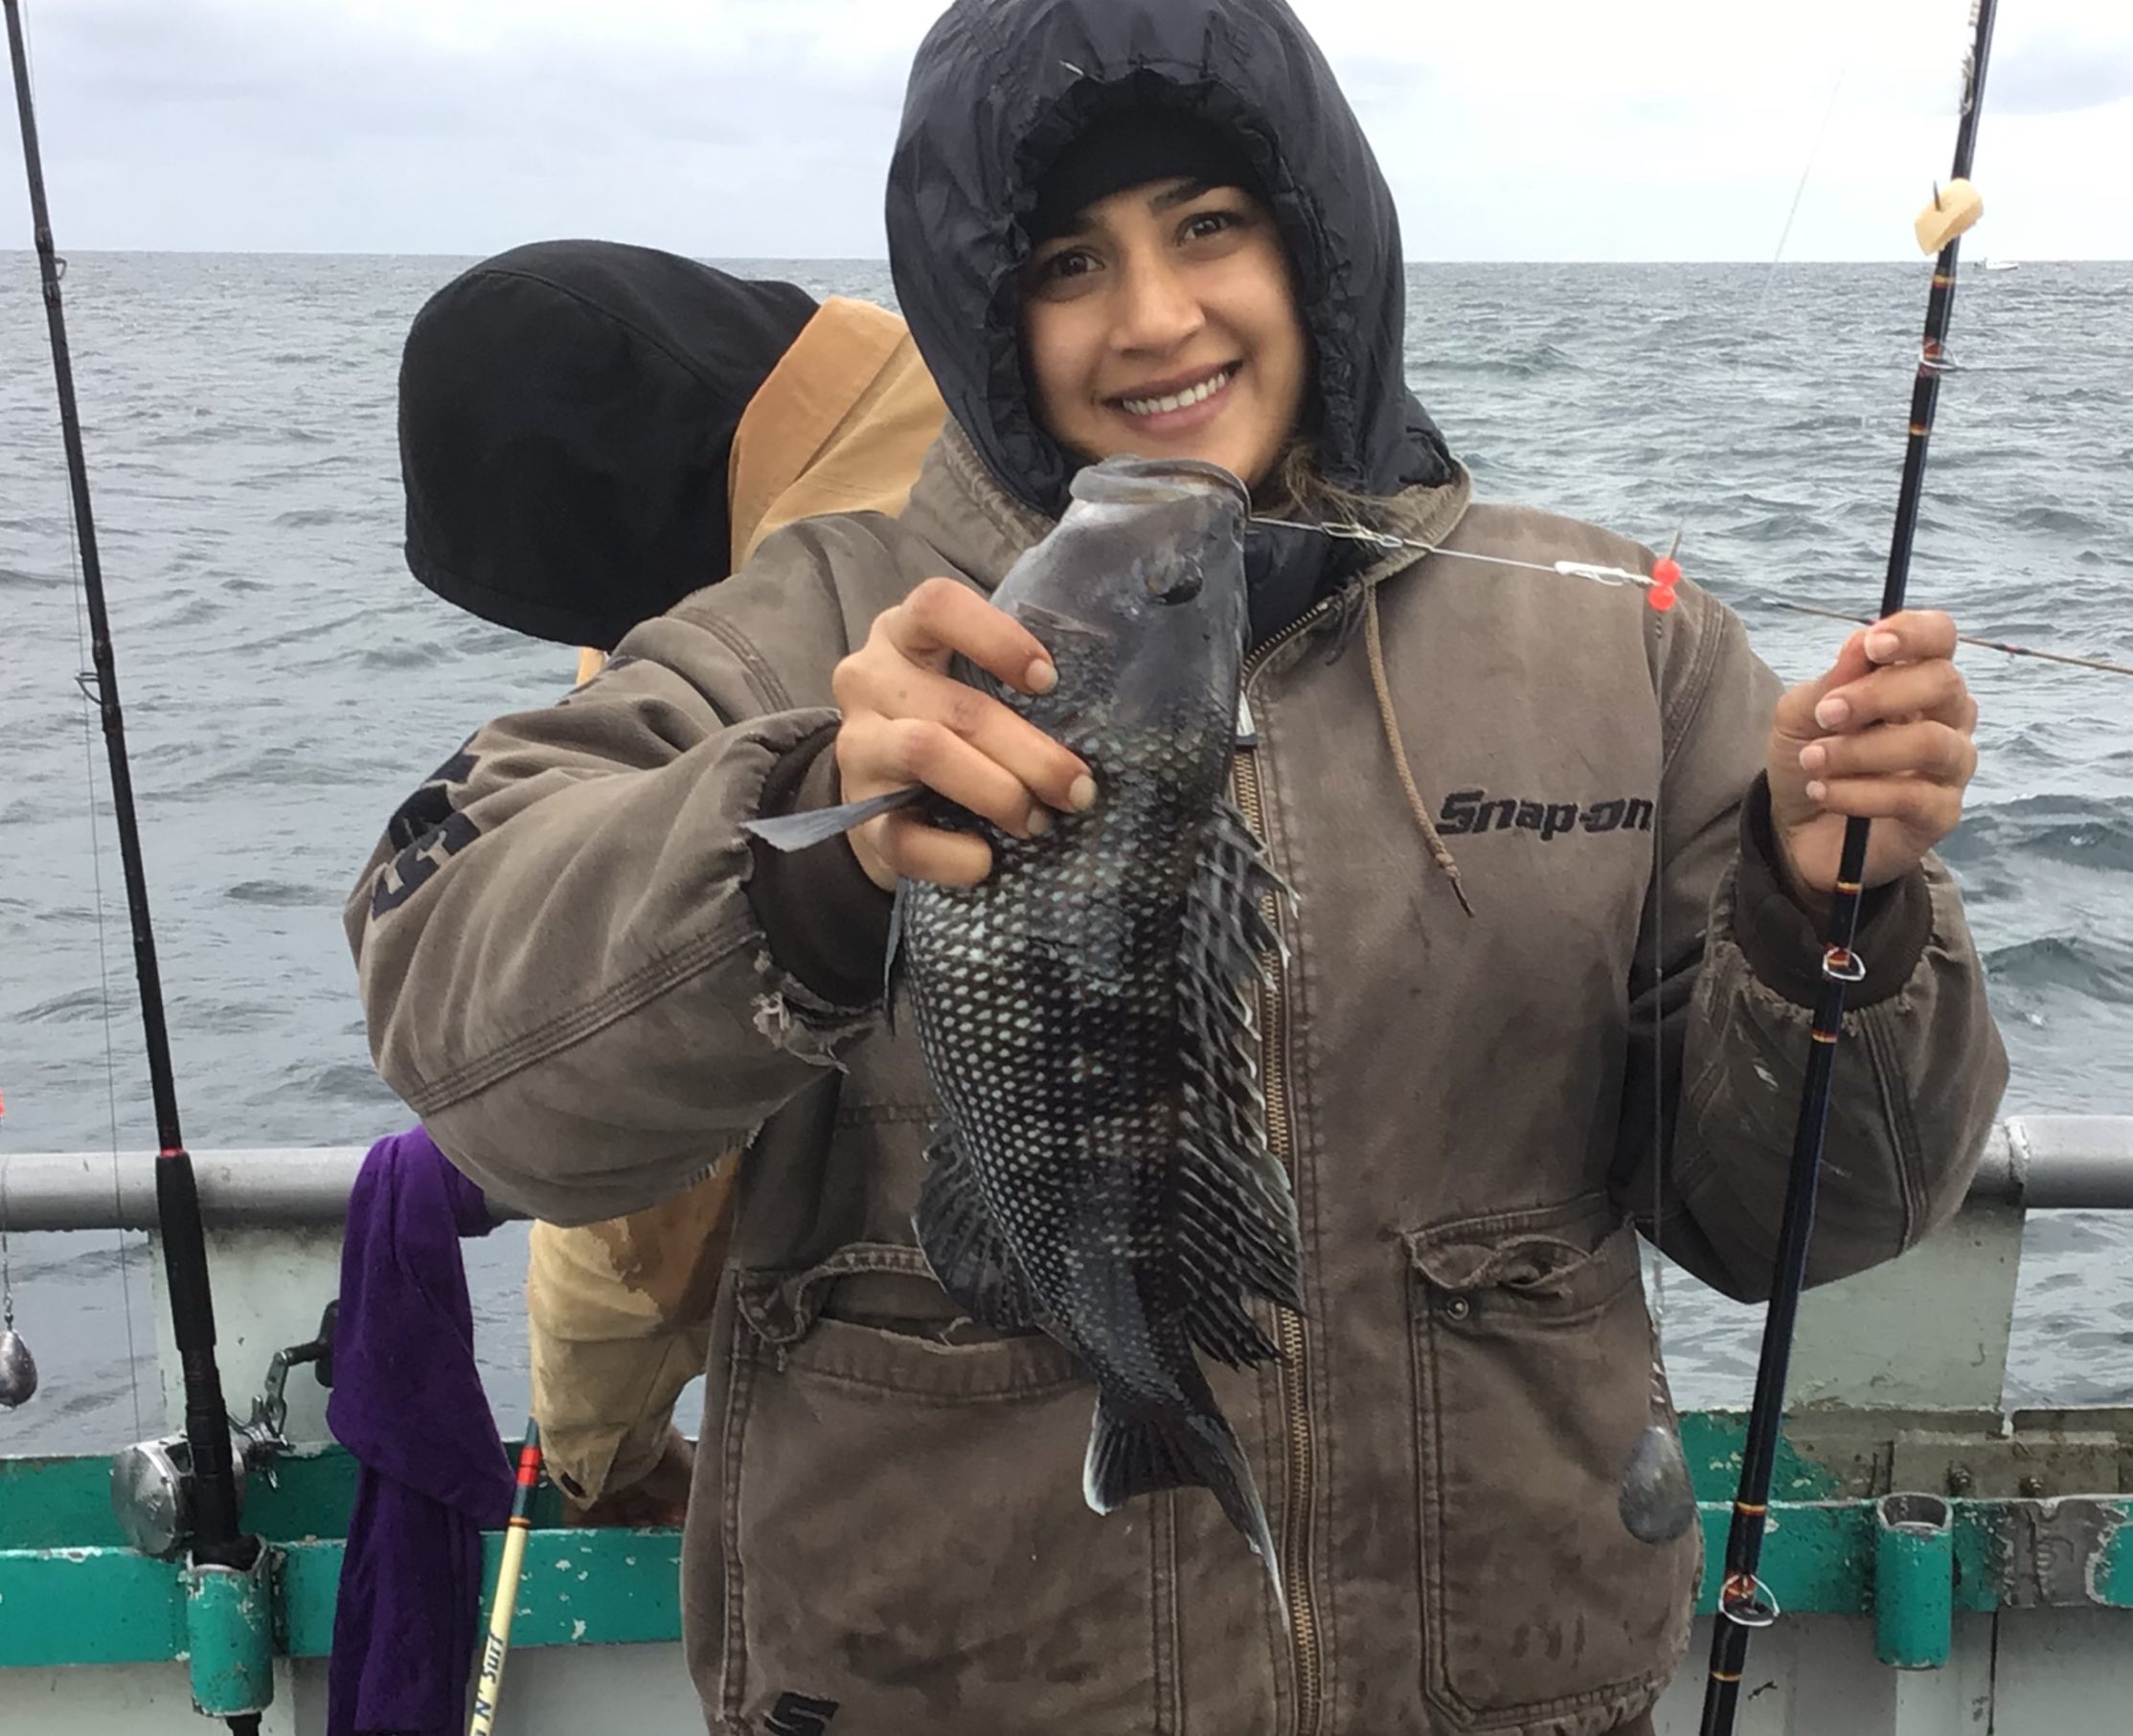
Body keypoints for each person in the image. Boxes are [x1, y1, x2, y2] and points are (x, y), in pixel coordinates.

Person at [347, 2, 2008, 1731]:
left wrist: (1829, 912)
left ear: (1320, 245)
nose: (1154, 318)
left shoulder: (1624, 650)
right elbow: (468, 1030)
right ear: (984, 308)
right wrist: (813, 844)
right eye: (1069, 261)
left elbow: (1821, 1213)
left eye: (1210, 224)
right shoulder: (808, 632)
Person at [392, 238, 946, 1521]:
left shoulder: (788, 631)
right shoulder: (979, 401)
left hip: (935, 1401)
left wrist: (600, 1445)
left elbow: (646, 1208)